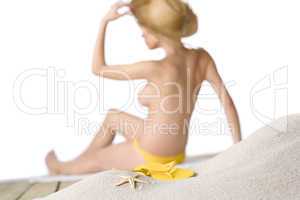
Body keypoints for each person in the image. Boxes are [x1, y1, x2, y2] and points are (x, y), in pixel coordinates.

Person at [46, 0, 241, 175]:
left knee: (97, 158)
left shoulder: (155, 68)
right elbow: (228, 104)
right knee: (113, 117)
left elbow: (98, 69)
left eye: (144, 28)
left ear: (158, 31)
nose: (141, 34)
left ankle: (66, 168)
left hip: (153, 154)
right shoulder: (203, 58)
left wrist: (104, 22)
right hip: (178, 151)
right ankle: (79, 160)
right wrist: (239, 148)